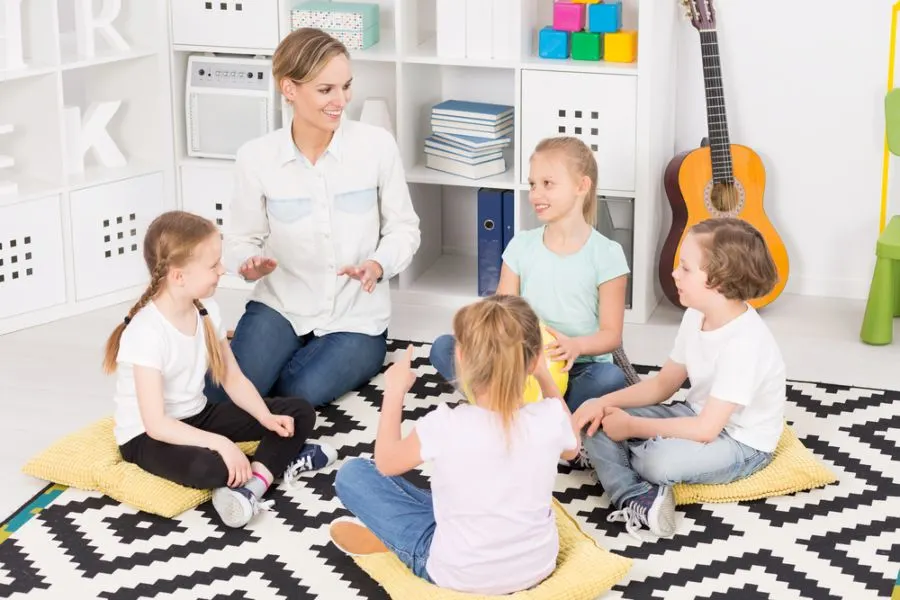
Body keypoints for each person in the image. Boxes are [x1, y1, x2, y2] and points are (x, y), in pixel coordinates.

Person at [206, 27, 421, 409]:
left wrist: (377, 264)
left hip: (356, 318)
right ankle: (251, 355)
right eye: (326, 90)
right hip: (282, 306)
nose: (341, 100)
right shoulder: (256, 157)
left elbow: (404, 229)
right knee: (223, 397)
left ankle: (255, 358)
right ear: (289, 89)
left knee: (298, 394)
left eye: (346, 86)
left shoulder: (376, 147)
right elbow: (240, 240)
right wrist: (248, 265)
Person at [329, 295, 580, 595]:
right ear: (534, 358)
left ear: (460, 358)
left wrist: (394, 391)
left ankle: (394, 547)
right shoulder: (549, 417)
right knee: (462, 497)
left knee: (354, 474)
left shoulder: (445, 424)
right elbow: (572, 448)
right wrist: (543, 375)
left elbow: (385, 462)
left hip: (458, 573)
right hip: (537, 567)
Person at [103, 211, 337, 529]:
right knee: (211, 468)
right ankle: (276, 462)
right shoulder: (146, 331)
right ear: (178, 276)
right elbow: (157, 424)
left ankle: (253, 486)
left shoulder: (205, 310)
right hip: (147, 437)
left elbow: (232, 377)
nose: (222, 270)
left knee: (297, 412)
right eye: (213, 265)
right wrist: (222, 444)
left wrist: (265, 418)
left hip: (197, 416)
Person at [574, 217, 784, 539]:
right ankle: (635, 495)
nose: (674, 273)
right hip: (694, 415)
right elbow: (663, 385)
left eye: (685, 268)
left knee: (658, 464)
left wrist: (632, 428)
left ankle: (617, 468)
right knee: (599, 418)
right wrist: (600, 402)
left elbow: (707, 429)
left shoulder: (745, 343)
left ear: (718, 279)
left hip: (741, 442)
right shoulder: (695, 315)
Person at [430, 136, 629, 412]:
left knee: (610, 378)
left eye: (547, 184)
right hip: (519, 362)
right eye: (532, 184)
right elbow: (501, 312)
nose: (535, 194)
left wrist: (576, 346)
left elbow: (611, 336)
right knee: (442, 348)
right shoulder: (521, 245)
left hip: (577, 366)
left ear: (582, 186)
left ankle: (512, 408)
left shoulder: (608, 254)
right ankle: (534, 410)